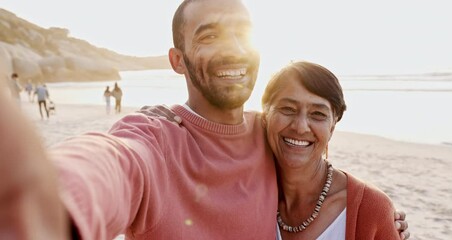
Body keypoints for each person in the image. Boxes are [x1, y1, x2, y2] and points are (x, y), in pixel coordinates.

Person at [0, 0, 409, 239]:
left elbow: (312, 155)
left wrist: (379, 215)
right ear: (177, 60)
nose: (233, 50)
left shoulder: (268, 134)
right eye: (209, 36)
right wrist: (44, 204)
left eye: (241, 34)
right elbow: (114, 163)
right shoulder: (155, 138)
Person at [262, 61, 401, 239]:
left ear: (332, 127)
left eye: (318, 114)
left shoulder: (370, 209)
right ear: (265, 115)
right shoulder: (249, 193)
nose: (300, 127)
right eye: (288, 109)